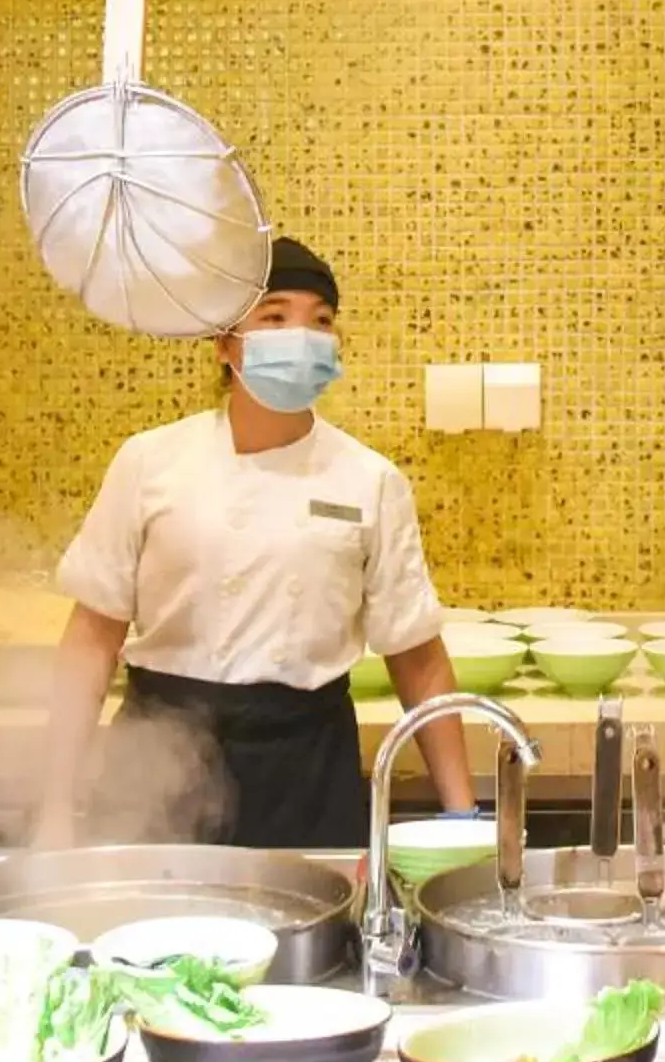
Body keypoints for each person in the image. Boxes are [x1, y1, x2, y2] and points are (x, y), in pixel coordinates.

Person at [33, 236, 477, 850]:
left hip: (306, 770)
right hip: (158, 761)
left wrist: (463, 816)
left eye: (320, 321)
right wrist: (55, 809)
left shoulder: (370, 480)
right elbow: (91, 639)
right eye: (274, 316)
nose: (301, 335)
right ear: (223, 344)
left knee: (316, 941)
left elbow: (418, 659)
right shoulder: (150, 462)